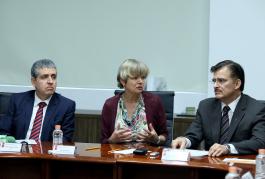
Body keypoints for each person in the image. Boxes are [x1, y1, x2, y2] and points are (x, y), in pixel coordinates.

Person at [172, 60, 265, 156]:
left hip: (241, 167)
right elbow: (194, 135)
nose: (215, 85)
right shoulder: (206, 106)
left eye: (221, 81)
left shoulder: (256, 109)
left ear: (237, 84)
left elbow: (260, 142)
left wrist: (228, 148)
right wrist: (185, 141)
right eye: (214, 81)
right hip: (210, 166)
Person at [0, 59, 76, 142]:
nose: (51, 81)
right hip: (19, 152)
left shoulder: (66, 106)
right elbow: (4, 132)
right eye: (44, 77)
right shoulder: (17, 100)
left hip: (46, 153)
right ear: (33, 81)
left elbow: (65, 139)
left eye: (53, 77)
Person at [101, 59, 168, 145]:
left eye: (143, 77)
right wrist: (111, 140)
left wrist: (156, 139)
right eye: (135, 78)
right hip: (117, 156)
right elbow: (103, 141)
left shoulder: (154, 101)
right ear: (123, 81)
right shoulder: (110, 105)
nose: (140, 81)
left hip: (146, 156)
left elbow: (164, 135)